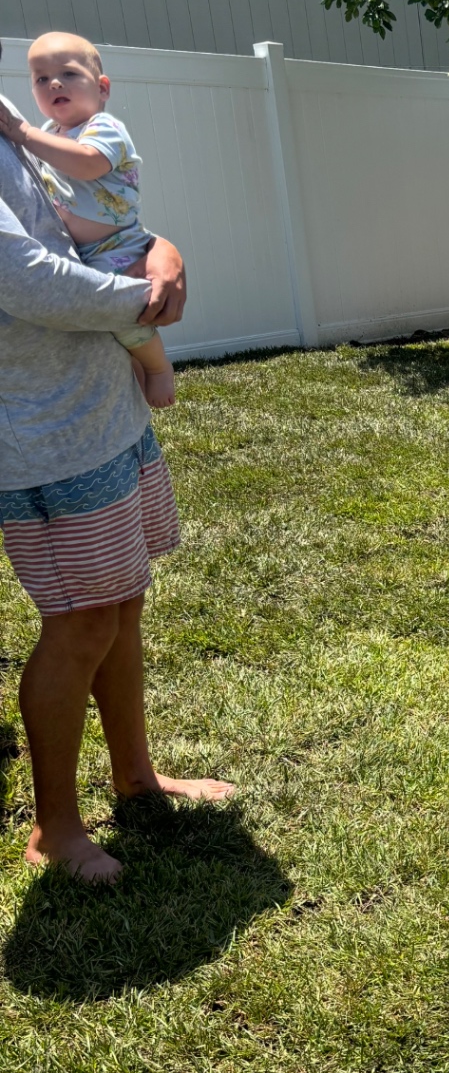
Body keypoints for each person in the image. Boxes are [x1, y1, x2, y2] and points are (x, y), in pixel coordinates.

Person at [0, 49, 232, 884]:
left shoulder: (19, 122)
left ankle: (135, 776)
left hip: (103, 411)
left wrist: (160, 254)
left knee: (122, 602)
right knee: (81, 620)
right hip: (40, 435)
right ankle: (55, 827)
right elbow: (23, 277)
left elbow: (101, 208)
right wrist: (147, 295)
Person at [0, 32, 176, 407]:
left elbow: (87, 162)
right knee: (112, 329)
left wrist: (26, 134)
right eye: (41, 79)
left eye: (68, 73)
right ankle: (139, 373)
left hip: (116, 244)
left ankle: (159, 368)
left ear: (102, 88)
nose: (54, 83)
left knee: (128, 315)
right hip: (86, 249)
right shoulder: (50, 133)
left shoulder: (103, 127)